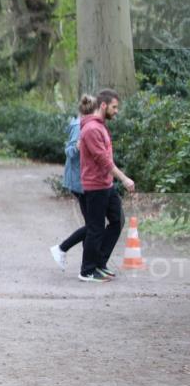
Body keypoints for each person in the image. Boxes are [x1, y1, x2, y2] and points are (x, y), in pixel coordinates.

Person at [77, 89, 135, 283]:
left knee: (117, 220)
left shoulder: (100, 126)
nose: (116, 111)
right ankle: (87, 271)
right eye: (114, 107)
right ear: (103, 105)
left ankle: (99, 263)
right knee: (95, 228)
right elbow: (103, 160)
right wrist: (124, 178)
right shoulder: (92, 129)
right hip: (95, 186)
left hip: (106, 184)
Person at [49, 94, 98, 271]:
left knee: (91, 224)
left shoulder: (85, 124)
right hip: (80, 181)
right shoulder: (79, 126)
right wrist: (77, 147)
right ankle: (62, 248)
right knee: (93, 225)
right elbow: (69, 151)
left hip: (83, 180)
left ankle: (89, 263)